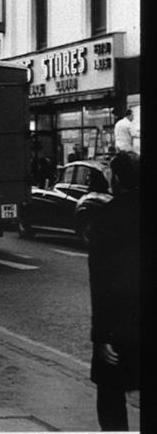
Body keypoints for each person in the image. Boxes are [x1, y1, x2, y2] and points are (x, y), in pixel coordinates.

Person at [88, 151, 140, 431]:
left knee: (110, 393)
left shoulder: (107, 218)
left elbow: (102, 283)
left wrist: (101, 336)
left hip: (120, 328)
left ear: (116, 179)